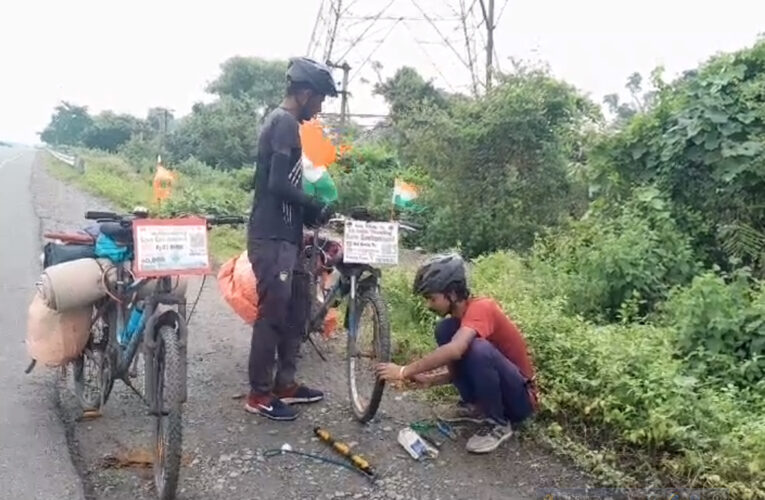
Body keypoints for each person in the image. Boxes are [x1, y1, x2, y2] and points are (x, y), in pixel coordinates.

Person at [245, 57, 338, 421]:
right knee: (273, 313)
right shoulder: (283, 123)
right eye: (319, 99)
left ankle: (286, 382)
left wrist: (310, 215)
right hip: (270, 237)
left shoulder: (288, 125)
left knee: (298, 306)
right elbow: (278, 184)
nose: (321, 107)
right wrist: (313, 204)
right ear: (303, 93)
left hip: (288, 235)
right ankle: (259, 393)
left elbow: (285, 186)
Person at [376, 254, 538, 453]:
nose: (428, 305)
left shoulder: (482, 307)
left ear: (452, 294)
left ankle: (499, 424)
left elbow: (456, 350)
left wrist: (403, 371)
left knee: (478, 349)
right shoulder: (458, 320)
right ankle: (476, 406)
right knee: (445, 329)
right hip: (502, 391)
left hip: (520, 400)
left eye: (432, 298)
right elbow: (459, 365)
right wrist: (432, 380)